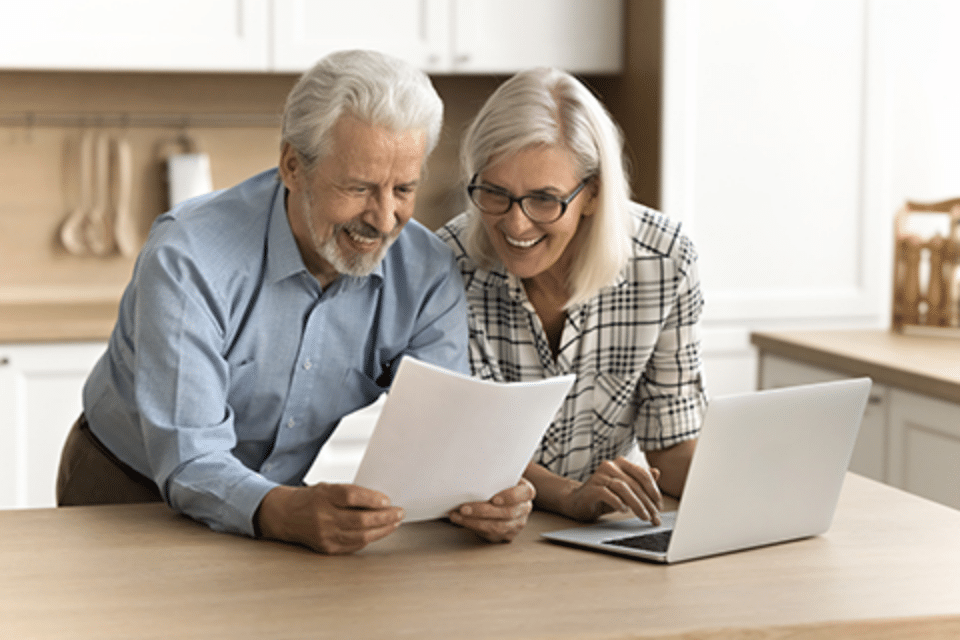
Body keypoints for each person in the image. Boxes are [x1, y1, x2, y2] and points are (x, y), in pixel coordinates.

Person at [56, 50, 534, 554]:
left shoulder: (426, 272)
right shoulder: (191, 257)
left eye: (404, 189)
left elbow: (445, 436)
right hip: (128, 492)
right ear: (292, 166)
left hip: (278, 507)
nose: (384, 217)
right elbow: (190, 459)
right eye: (358, 188)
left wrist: (485, 495)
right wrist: (284, 511)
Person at [437, 67, 705, 527]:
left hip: (599, 530)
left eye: (545, 199)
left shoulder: (665, 260)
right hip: (482, 528)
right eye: (495, 193)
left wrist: (751, 479)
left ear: (594, 194)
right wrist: (570, 497)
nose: (516, 225)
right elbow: (471, 446)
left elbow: (671, 442)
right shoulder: (446, 265)